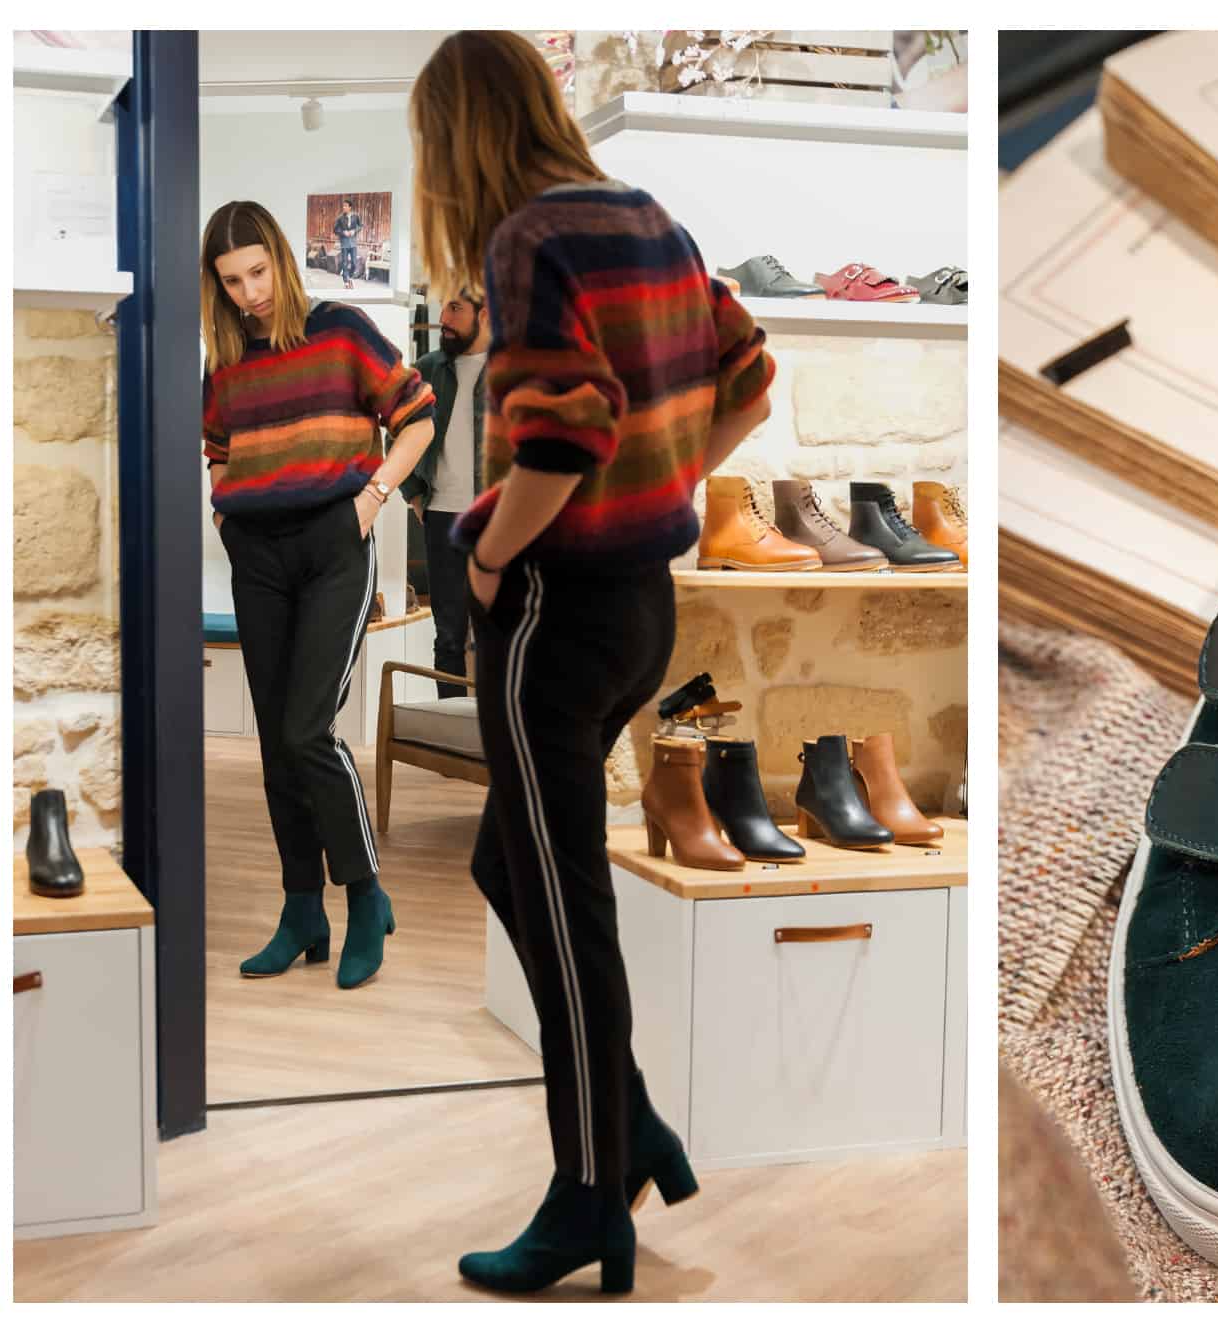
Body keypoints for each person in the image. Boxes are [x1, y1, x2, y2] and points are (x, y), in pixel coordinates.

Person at [411, 30, 775, 1295]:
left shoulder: (526, 242)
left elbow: (561, 435)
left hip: (555, 614)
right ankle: (627, 1131)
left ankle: (583, 1200)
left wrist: (485, 562)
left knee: (568, 913)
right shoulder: (648, 219)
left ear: (454, 138)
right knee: (506, 863)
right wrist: (672, 481)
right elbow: (752, 379)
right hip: (645, 613)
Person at [200, 200, 435, 989]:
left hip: (336, 546)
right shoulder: (226, 358)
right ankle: (303, 907)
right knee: (274, 743)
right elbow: (219, 449)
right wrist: (226, 509)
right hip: (257, 554)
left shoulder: (340, 328)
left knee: (308, 731)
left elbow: (417, 418)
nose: (249, 292)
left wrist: (371, 500)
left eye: (258, 271)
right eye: (231, 280)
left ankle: (366, 894)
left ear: (281, 259)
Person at [399, 289, 490, 696]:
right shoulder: (426, 369)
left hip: (499, 521)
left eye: (455, 308)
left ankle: (493, 742)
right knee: (448, 637)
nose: (444, 317)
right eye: (443, 306)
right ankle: (451, 735)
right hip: (443, 518)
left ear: (484, 315)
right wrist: (414, 493)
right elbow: (397, 433)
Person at [334, 198, 363, 288]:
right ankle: (346, 281)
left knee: (354, 263)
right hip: (344, 243)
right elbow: (335, 229)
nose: (344, 207)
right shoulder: (340, 218)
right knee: (345, 263)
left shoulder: (356, 216)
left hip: (353, 243)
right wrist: (343, 232)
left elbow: (360, 226)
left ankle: (348, 276)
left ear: (350, 207)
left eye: (346, 206)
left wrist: (354, 231)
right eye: (343, 206)